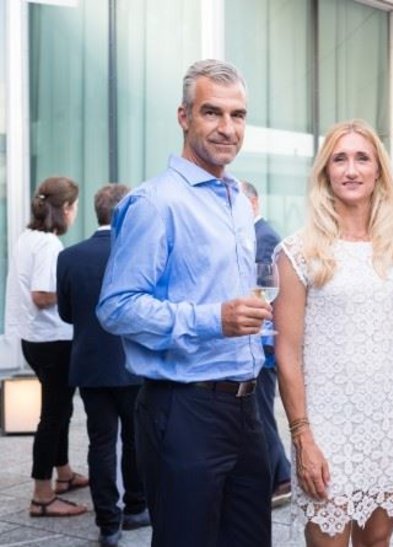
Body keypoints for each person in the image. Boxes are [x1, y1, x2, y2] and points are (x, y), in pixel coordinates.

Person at [96, 59, 272, 546]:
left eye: (238, 115)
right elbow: (116, 307)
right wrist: (214, 319)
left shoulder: (237, 199)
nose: (227, 128)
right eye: (212, 112)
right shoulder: (155, 203)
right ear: (184, 116)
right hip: (184, 409)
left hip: (246, 408)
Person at [274, 119, 393, 546]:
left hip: (388, 423)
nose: (351, 170)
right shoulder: (298, 251)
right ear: (326, 172)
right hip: (327, 428)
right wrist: (303, 437)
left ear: (378, 171)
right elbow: (286, 353)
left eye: (362, 159)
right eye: (340, 159)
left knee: (377, 542)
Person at [56, 183, 149, 545]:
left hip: (90, 365)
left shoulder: (70, 256)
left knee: (101, 443)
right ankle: (136, 508)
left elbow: (66, 314)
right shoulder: (137, 253)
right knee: (135, 439)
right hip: (132, 364)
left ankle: (108, 524)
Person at [4, 176, 89, 518]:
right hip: (52, 341)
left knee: (61, 410)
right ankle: (42, 495)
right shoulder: (49, 245)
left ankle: (64, 474)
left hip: (35, 339)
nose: (75, 212)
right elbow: (41, 295)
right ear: (65, 208)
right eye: (75, 206)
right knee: (53, 416)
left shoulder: (28, 237)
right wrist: (76, 292)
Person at [238, 179, 293, 509]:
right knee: (256, 411)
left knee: (259, 412)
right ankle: (278, 474)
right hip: (254, 340)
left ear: (254, 203)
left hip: (263, 343)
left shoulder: (264, 237)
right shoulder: (252, 234)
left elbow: (262, 291)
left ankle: (281, 477)